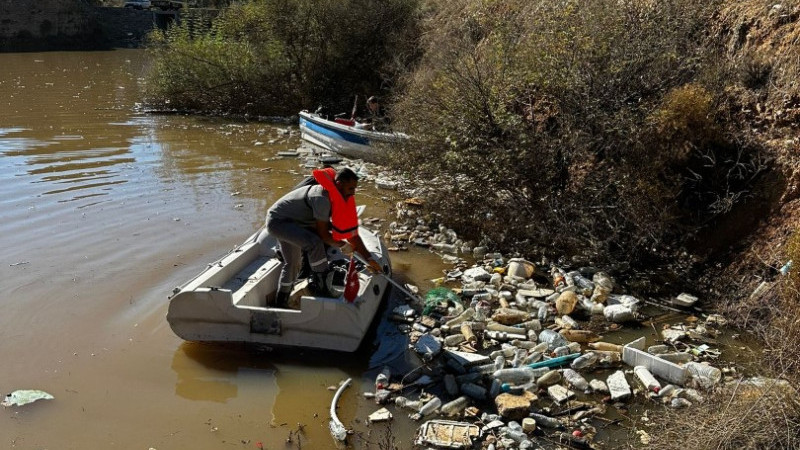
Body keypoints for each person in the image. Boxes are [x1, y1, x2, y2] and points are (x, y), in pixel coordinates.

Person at [265, 167, 382, 307]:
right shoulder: (321, 198)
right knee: (315, 243)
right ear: (339, 184)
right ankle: (320, 286)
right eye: (351, 188)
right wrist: (342, 245)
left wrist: (368, 258)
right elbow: (324, 235)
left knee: (292, 264)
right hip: (278, 222)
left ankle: (281, 302)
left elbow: (352, 234)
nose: (353, 193)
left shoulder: (338, 197)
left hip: (294, 223)